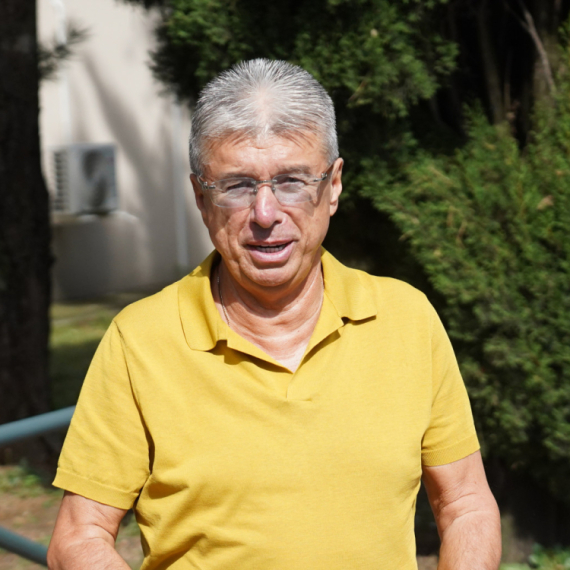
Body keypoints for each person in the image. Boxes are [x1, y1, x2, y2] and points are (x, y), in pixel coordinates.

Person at [47, 59, 501, 570]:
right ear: (200, 197)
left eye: (291, 181)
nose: (265, 214)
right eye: (237, 186)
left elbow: (465, 506)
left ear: (333, 186)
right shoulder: (141, 340)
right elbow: (79, 537)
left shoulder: (406, 319)